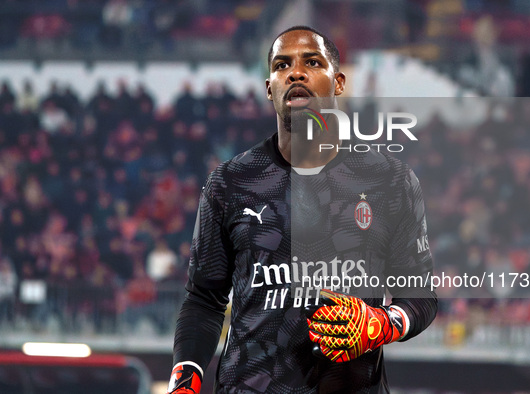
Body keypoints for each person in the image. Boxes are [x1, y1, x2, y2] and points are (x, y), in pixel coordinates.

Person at [167, 26, 437, 394]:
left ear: (338, 82)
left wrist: (382, 323)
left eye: (312, 62)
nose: (296, 72)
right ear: (269, 89)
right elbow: (203, 299)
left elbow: (420, 295)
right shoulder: (229, 182)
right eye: (282, 65)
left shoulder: (390, 180)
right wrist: (184, 381)